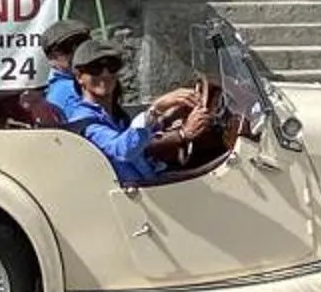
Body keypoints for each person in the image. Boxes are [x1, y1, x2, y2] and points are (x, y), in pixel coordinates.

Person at [58, 37, 200, 187]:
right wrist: (158, 110)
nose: (105, 74)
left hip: (150, 183)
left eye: (112, 67)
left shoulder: (113, 115)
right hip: (131, 197)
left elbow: (138, 142)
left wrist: (167, 118)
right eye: (95, 68)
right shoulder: (85, 121)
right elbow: (122, 151)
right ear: (79, 76)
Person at [37, 16, 93, 119]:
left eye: (82, 43)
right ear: (51, 57)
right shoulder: (67, 91)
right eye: (67, 46)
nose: (77, 51)